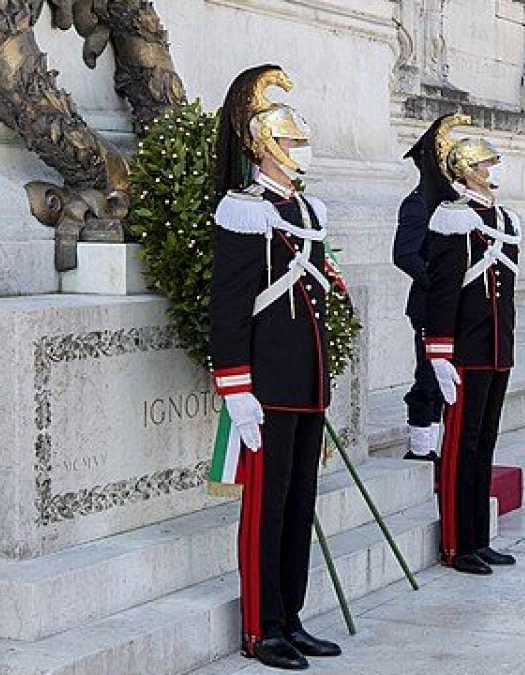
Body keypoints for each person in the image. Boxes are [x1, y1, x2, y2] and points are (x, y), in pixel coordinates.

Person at [209, 64, 342, 670]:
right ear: (262, 145)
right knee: (266, 511)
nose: (298, 151)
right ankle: (262, 630)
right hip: (266, 389)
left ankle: (290, 615)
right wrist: (236, 388)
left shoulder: (308, 213)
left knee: (297, 507)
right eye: (289, 142)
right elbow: (231, 308)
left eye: (299, 141)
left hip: (306, 388)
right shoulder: (244, 211)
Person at [420, 116, 521, 576]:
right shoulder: (455, 219)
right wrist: (440, 353)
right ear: (467, 170)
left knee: (485, 444)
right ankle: (458, 544)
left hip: (496, 350)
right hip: (466, 352)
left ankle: (479, 537)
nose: (495, 167)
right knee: (461, 448)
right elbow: (441, 292)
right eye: (487, 162)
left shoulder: (502, 219)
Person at [394, 116, 462, 463]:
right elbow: (404, 254)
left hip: (455, 306)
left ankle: (442, 446)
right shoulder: (418, 203)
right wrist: (440, 282)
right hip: (429, 304)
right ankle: (421, 448)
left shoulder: (450, 203)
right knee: (429, 378)